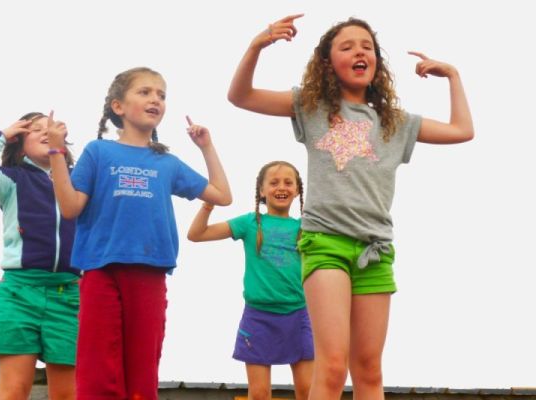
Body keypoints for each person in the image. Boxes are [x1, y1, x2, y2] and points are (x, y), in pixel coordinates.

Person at [227, 15, 474, 400]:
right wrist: (258, 45)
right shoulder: (312, 107)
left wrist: (453, 76)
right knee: (331, 365)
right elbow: (241, 96)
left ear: (376, 62)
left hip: (375, 250)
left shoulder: (396, 123)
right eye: (347, 46)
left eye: (367, 46)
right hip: (325, 243)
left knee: (369, 369)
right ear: (328, 63)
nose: (360, 51)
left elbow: (462, 130)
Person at [46, 66, 232, 400]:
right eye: (144, 92)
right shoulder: (98, 151)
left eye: (161, 95)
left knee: (143, 368)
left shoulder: (167, 162)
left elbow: (222, 195)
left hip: (150, 269)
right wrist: (57, 152)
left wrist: (206, 146)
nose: (155, 99)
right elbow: (71, 207)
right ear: (118, 106)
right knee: (97, 367)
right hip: (100, 269)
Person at [0, 113, 80, 400]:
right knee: (14, 391)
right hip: (19, 292)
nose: (45, 133)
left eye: (50, 129)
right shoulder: (12, 180)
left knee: (68, 395)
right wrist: (2, 135)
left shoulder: (78, 182)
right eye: (35, 130)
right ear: (19, 143)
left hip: (69, 296)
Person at [188, 160, 314, 400]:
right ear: (262, 190)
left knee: (308, 391)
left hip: (298, 315)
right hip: (259, 317)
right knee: (259, 393)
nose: (282, 187)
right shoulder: (249, 223)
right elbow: (196, 234)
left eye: (288, 182)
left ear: (297, 190)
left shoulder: (306, 227)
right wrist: (208, 204)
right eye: (274, 182)